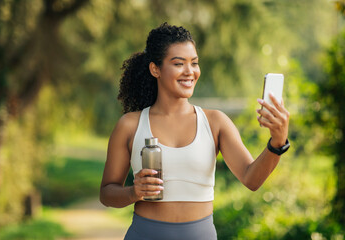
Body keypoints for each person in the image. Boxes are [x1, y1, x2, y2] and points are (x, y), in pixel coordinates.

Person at [99, 22, 290, 240]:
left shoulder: (215, 122)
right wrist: (133, 192)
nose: (190, 72)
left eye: (194, 63)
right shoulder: (130, 125)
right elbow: (107, 193)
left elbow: (251, 179)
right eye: (179, 63)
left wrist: (278, 142)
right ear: (155, 69)